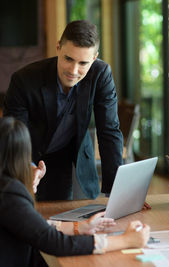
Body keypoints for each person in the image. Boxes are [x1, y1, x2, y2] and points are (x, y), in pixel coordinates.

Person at [0, 117, 150, 267]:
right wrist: (125, 240)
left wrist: (80, 227)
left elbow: (33, 226)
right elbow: (54, 242)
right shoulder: (9, 194)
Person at [4, 20, 123, 200]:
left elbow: (109, 131)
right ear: (58, 47)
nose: (73, 71)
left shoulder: (101, 74)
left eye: (83, 63)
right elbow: (14, 136)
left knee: (76, 218)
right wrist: (27, 166)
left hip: (74, 157)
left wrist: (119, 191)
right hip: (32, 156)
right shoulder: (24, 80)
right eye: (68, 59)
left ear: (94, 57)